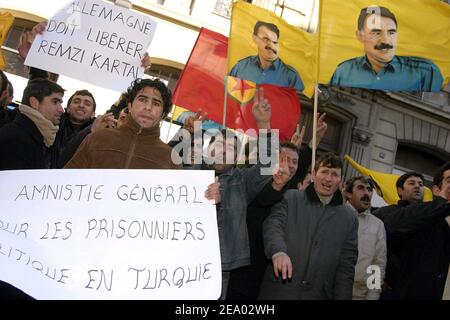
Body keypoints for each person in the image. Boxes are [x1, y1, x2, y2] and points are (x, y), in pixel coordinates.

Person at [258, 153, 358, 299]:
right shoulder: (290, 198)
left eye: (334, 174)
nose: (328, 179)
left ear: (341, 181)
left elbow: (346, 268)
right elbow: (273, 225)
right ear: (313, 175)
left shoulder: (349, 218)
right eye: (324, 171)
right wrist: (278, 251)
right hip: (280, 291)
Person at [65, 78, 181, 169]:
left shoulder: (170, 159)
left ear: (163, 114)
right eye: (142, 99)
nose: (148, 107)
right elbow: (66, 183)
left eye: (156, 103)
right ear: (130, 106)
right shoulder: (97, 139)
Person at [373, 170, 450, 299]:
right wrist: (373, 289)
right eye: (411, 183)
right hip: (388, 292)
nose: (417, 186)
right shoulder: (386, 214)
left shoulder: (437, 220)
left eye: (421, 184)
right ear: (399, 190)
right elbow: (371, 258)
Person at [329, 6, 443, 92]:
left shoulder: (425, 71)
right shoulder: (344, 71)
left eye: (391, 32)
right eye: (376, 32)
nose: (386, 41)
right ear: (360, 36)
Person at [0, 78, 64, 170]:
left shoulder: (42, 137)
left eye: (60, 103)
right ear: (34, 102)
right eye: (55, 102)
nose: (61, 110)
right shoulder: (15, 140)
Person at [229, 21, 304, 91]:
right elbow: (227, 93)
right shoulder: (241, 67)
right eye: (266, 39)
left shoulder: (291, 76)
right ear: (254, 38)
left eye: (274, 42)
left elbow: (298, 103)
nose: (271, 45)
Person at [343, 176, 386, 300]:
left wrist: (373, 295)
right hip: (329, 291)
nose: (366, 193)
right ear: (348, 193)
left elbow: (378, 263)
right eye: (361, 188)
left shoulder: (378, 225)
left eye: (369, 189)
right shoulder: (335, 215)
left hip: (359, 295)